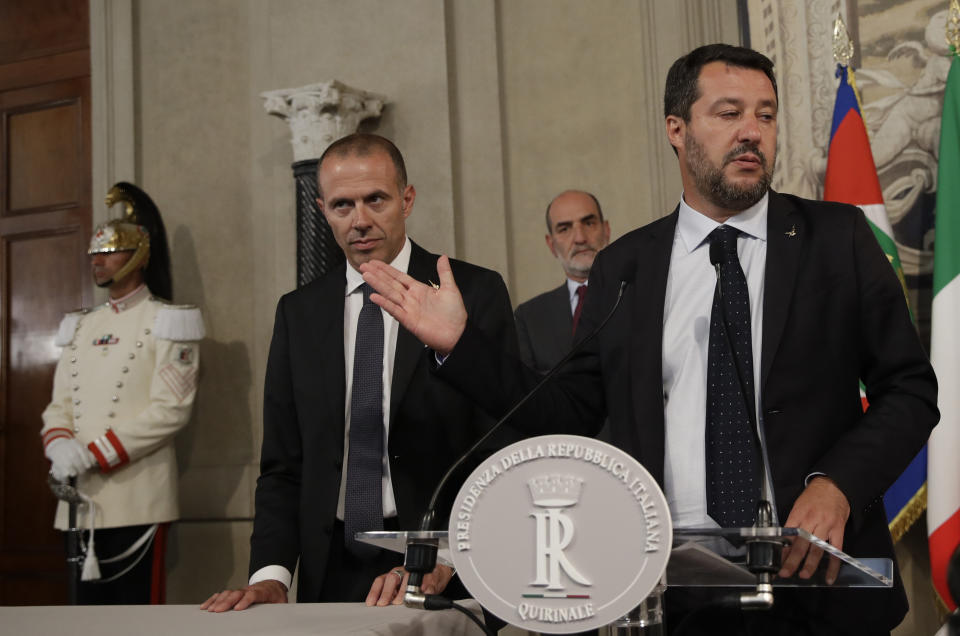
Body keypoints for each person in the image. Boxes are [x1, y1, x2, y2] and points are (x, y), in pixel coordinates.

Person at [361, 44, 939, 634]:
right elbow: (567, 409)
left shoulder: (836, 239)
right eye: (728, 112)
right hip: (673, 592)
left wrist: (836, 485)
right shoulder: (626, 267)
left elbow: (910, 390)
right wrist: (461, 344)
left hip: (817, 585)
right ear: (676, 129)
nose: (752, 132)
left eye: (765, 115)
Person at [201, 133, 518, 612]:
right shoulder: (298, 313)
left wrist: (448, 553)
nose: (360, 220)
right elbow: (284, 465)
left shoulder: (474, 292)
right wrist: (271, 575)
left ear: (406, 199)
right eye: (342, 205)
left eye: (376, 200)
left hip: (439, 568)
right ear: (323, 209)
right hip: (330, 569)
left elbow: (500, 448)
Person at [40, 182, 204, 604]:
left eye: (109, 251)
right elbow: (59, 406)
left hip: (138, 499)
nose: (98, 261)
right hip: (79, 500)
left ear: (139, 255)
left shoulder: (169, 321)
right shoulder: (80, 325)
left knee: (135, 621)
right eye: (95, 253)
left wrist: (94, 453)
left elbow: (171, 411)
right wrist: (59, 446)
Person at [515, 190, 610, 373]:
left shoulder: (639, 295)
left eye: (589, 223)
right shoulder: (528, 318)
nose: (580, 238)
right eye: (564, 229)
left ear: (606, 231)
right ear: (551, 244)